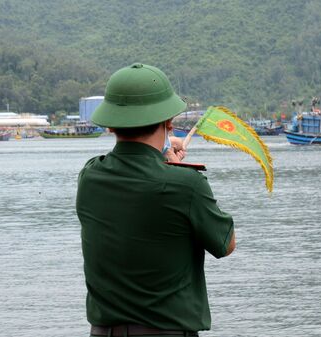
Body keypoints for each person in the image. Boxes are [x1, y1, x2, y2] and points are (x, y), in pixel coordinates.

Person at [76, 63, 236, 337]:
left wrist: (163, 151)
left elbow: (132, 162)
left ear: (112, 125)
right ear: (168, 122)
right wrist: (174, 165)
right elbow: (226, 244)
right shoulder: (186, 185)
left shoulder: (89, 176)